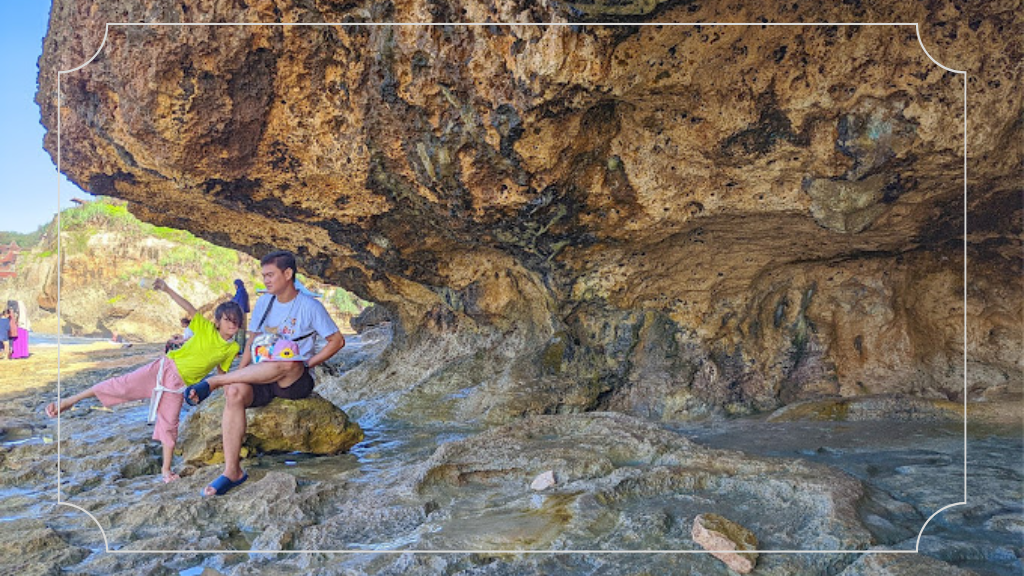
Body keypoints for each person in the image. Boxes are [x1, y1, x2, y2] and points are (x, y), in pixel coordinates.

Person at [45, 279, 242, 483]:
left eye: (236, 322)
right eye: (228, 320)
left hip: (178, 386)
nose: (232, 326)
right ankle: (69, 402)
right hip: (163, 369)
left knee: (170, 423)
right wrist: (166, 289)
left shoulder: (232, 348)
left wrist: (229, 393)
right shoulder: (206, 329)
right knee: (120, 385)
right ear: (218, 321)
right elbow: (188, 306)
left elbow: (222, 374)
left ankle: (166, 470)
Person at [184, 250, 344, 496]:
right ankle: (232, 471)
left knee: (289, 363)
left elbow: (337, 340)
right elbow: (252, 343)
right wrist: (239, 374)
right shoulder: (264, 303)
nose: (266, 280)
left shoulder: (309, 306)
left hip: (292, 380)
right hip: (261, 374)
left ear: (288, 274)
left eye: (270, 275)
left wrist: (309, 363)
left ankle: (214, 381)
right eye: (264, 276)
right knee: (235, 392)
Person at [231, 279, 250, 353]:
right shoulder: (242, 292)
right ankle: (239, 348)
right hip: (241, 313)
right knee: (239, 331)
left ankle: (240, 349)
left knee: (240, 331)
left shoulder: (241, 293)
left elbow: (239, 303)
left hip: (240, 313)